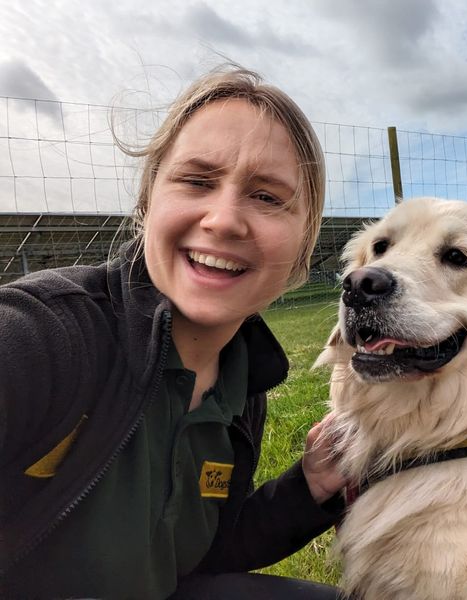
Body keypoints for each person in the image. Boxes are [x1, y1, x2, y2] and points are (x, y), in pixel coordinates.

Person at [0, 65, 348, 599]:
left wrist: (311, 487)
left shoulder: (241, 384)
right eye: (197, 180)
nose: (225, 219)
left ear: (304, 244)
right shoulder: (46, 337)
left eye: (267, 197)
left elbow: (197, 558)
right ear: (147, 203)